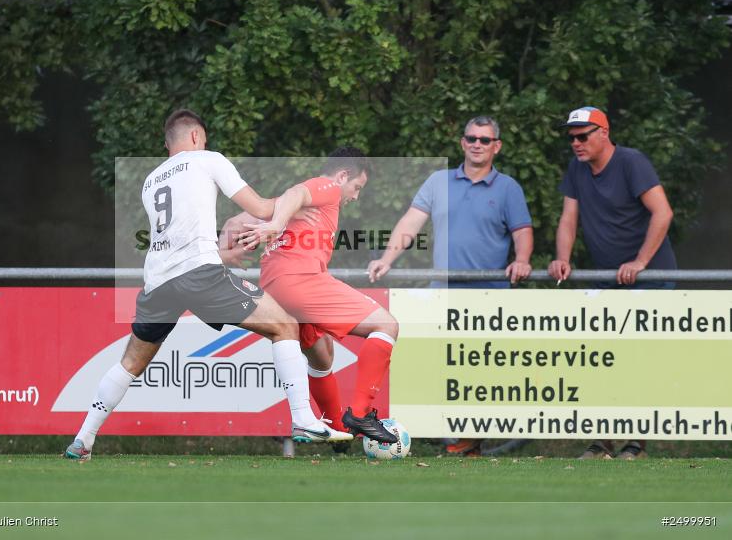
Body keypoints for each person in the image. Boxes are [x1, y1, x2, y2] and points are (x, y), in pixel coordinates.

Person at [65, 109, 351, 461]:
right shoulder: (208, 159)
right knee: (286, 326)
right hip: (198, 274)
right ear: (197, 137)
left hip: (157, 281)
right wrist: (292, 207)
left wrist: (219, 251)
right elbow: (261, 208)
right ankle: (304, 420)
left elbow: (178, 229)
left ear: (168, 142)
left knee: (130, 362)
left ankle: (83, 439)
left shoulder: (151, 180)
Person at [366, 115, 534, 455]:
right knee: (428, 363)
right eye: (471, 138)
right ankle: (437, 431)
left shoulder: (508, 188)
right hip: (441, 293)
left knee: (481, 372)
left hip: (489, 297)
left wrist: (523, 259)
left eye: (484, 140)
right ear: (462, 142)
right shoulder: (438, 180)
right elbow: (410, 223)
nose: (477, 144)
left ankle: (471, 439)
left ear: (496, 146)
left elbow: (523, 233)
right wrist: (387, 258)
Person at [233, 147, 401, 444]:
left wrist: (240, 234)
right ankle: (361, 415)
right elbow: (299, 191)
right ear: (342, 175)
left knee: (321, 355)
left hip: (276, 284)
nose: (355, 196)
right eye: (357, 187)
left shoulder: (294, 202)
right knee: (386, 326)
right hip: (299, 279)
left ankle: (338, 430)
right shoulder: (328, 187)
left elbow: (253, 212)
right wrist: (273, 226)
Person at [548, 106, 676, 460]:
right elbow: (568, 220)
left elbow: (663, 212)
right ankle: (601, 443)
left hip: (651, 280)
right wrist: (562, 257)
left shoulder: (632, 162)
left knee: (639, 363)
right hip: (609, 281)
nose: (575, 143)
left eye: (583, 135)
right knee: (599, 361)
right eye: (571, 137)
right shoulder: (577, 168)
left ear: (604, 133)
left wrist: (640, 263)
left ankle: (635, 444)